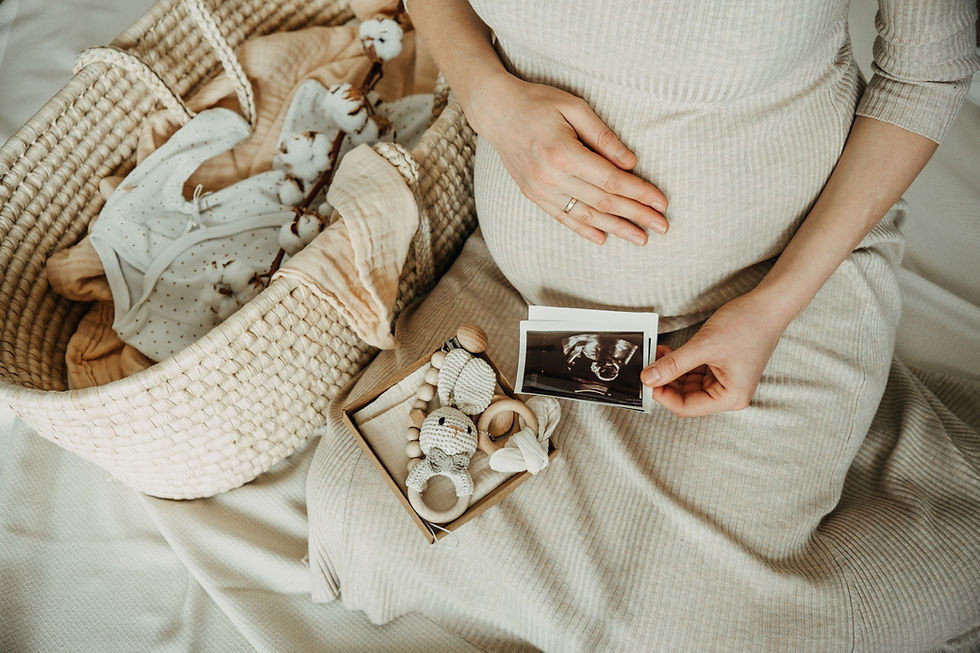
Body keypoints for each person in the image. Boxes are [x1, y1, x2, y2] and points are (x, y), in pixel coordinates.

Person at [305, 1, 980, 650]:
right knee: (354, 517)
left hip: (776, 295)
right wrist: (489, 99)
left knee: (703, 635)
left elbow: (925, 72)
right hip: (528, 297)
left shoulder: (775, 300)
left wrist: (771, 307)